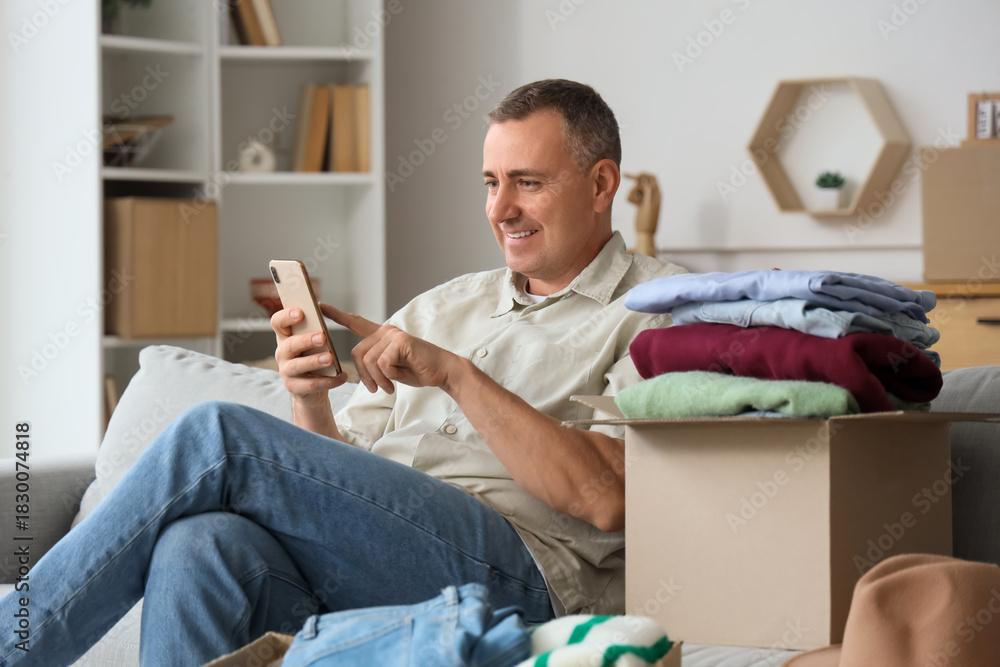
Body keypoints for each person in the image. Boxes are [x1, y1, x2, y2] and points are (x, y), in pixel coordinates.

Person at [0, 79, 685, 666]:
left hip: (525, 578)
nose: (500, 208)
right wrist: (310, 401)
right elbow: (343, 480)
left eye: (527, 183)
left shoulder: (659, 311)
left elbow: (606, 496)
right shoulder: (445, 305)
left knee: (220, 434)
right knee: (201, 544)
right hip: (387, 566)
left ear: (601, 184)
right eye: (491, 183)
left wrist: (458, 377)